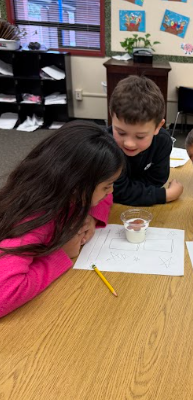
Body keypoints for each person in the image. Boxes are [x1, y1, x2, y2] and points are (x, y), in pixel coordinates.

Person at [0, 121, 124, 317]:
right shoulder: (36, 218)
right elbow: (4, 294)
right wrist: (61, 254)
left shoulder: (67, 189)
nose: (111, 191)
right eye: (107, 185)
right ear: (77, 185)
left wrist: (92, 216)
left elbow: (105, 197)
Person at [108, 75, 183, 206]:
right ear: (112, 119)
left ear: (157, 127)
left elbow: (157, 180)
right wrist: (166, 195)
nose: (128, 143)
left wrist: (130, 189)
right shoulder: (104, 144)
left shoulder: (162, 142)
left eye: (140, 136)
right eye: (121, 132)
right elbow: (115, 190)